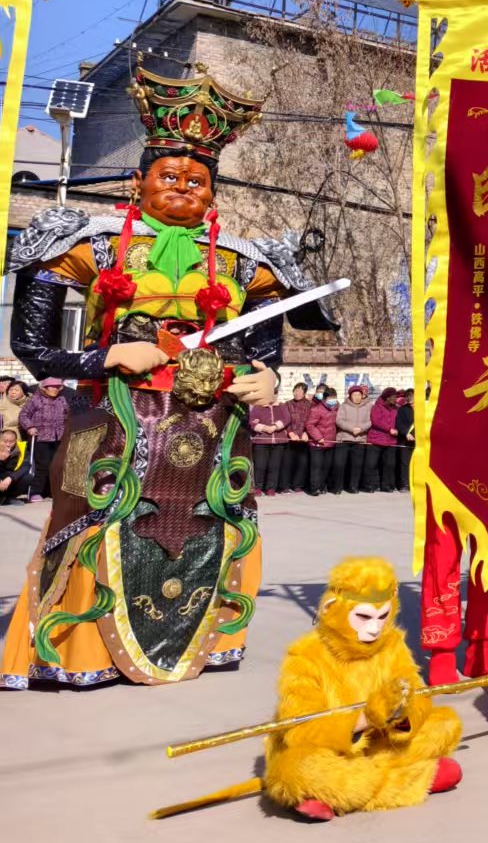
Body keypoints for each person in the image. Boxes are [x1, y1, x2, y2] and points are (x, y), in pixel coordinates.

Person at [1, 66, 333, 690]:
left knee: (213, 522)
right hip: (115, 422)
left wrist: (266, 377)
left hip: (212, 431)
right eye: (168, 176)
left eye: (196, 181)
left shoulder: (245, 262)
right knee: (95, 519)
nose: (182, 187)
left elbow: (266, 345)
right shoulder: (90, 245)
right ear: (139, 181)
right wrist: (105, 359)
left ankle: (204, 640)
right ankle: (79, 652)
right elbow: (33, 346)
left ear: (213, 192)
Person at [262, 557, 462, 820]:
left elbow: (419, 697)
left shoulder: (393, 644)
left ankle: (344, 793)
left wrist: (401, 715)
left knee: (445, 724)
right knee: (295, 770)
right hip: (328, 751)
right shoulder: (304, 656)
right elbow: (300, 731)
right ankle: (415, 778)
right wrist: (364, 720)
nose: (375, 628)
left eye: (383, 616)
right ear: (331, 609)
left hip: (380, 743)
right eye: (364, 617)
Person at [17, 377, 69, 487]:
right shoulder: (35, 400)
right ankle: (36, 491)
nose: (55, 389)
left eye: (57, 387)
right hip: (41, 438)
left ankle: (51, 491)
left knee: (56, 465)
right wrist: (30, 427)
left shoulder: (61, 400)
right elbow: (23, 415)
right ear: (44, 388)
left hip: (58, 438)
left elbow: (67, 415)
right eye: (52, 387)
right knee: (43, 465)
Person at [246, 395, 293, 495]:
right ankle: (258, 487)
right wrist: (264, 428)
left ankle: (271, 488)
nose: (272, 396)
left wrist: (275, 427)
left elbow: (287, 418)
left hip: (278, 442)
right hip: (261, 441)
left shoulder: (282, 406)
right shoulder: (258, 406)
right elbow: (252, 422)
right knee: (260, 466)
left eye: (274, 394)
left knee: (274, 466)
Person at [334, 383, 375, 493]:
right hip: (344, 438)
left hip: (359, 439)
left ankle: (353, 486)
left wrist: (361, 429)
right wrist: (351, 428)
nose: (357, 397)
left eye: (359, 395)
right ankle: (338, 487)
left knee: (356, 465)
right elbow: (339, 420)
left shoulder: (368, 407)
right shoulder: (344, 406)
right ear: (350, 396)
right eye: (354, 395)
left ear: (362, 395)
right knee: (339, 464)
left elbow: (371, 421)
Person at [367, 387, 400, 492]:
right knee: (372, 464)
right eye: (393, 397)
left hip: (390, 440)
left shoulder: (396, 408)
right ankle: (371, 485)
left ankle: (386, 485)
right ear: (387, 397)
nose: (395, 399)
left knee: (389, 464)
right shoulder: (376, 407)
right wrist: (389, 429)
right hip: (376, 439)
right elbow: (376, 420)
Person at [305, 388, 338, 496]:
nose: (333, 400)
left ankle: (322, 486)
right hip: (317, 443)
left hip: (330, 442)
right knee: (316, 466)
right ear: (324, 398)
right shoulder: (316, 409)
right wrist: (318, 437)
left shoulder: (336, 408)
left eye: (334, 397)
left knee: (326, 466)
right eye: (330, 398)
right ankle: (314, 488)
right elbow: (310, 425)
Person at [284, 381, 313, 492]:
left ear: (304, 393)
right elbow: (285, 420)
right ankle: (285, 485)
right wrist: (290, 432)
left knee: (302, 463)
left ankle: (298, 485)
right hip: (290, 438)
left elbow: (311, 420)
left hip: (303, 438)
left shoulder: (310, 405)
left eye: (300, 391)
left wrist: (307, 433)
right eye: (295, 391)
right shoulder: (287, 404)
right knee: (287, 463)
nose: (297, 393)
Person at [0, 428, 33, 505]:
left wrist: (11, 478)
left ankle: (9, 498)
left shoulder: (21, 448)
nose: (8, 444)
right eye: (5, 441)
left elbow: (26, 465)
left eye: (11, 441)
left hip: (10, 478)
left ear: (15, 441)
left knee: (28, 477)